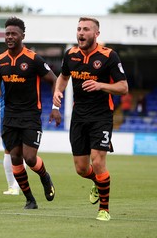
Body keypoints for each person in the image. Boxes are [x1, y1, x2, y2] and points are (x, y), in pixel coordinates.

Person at [53, 17, 128, 221]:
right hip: (79, 117)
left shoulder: (108, 56)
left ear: (96, 34)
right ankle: (97, 181)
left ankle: (104, 209)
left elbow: (123, 87)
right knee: (81, 168)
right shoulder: (71, 54)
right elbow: (63, 76)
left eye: (86, 29)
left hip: (101, 116)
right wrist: (57, 93)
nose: (81, 33)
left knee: (98, 160)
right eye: (79, 29)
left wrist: (100, 85)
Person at [0, 16, 61, 210]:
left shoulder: (33, 59)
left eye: (13, 34)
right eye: (7, 33)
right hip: (9, 116)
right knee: (15, 157)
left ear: (22, 36)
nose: (9, 37)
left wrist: (55, 107)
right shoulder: (0, 61)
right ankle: (30, 199)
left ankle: (44, 176)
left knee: (29, 158)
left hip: (31, 115)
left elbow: (55, 80)